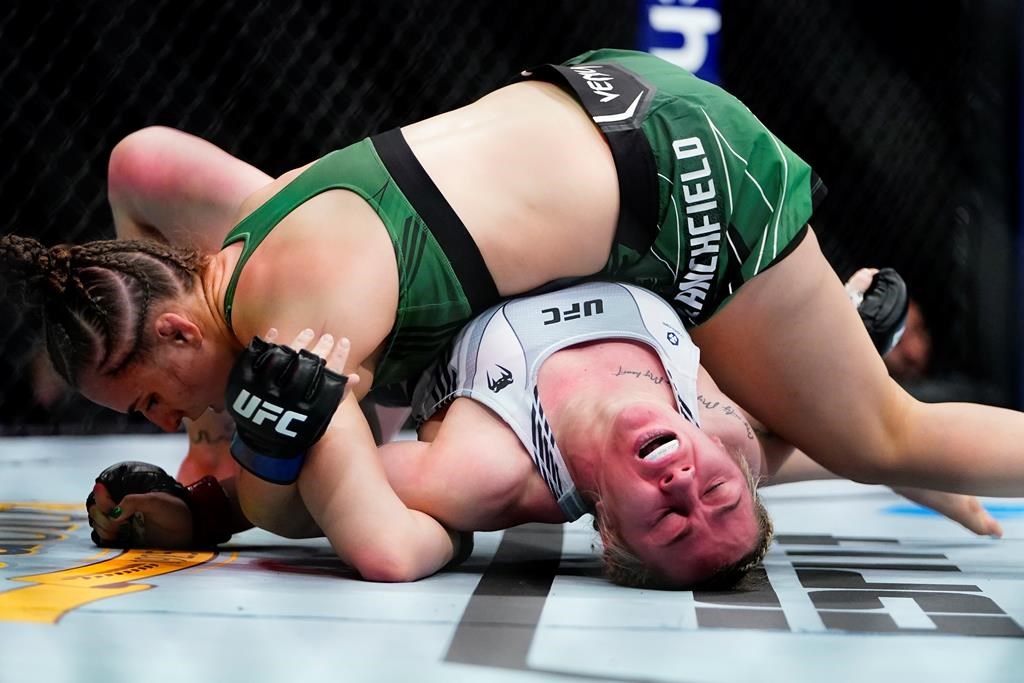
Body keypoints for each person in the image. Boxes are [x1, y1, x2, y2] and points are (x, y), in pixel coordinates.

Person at [4, 47, 1024, 582]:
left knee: (894, 432)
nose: (158, 418)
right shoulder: (246, 216)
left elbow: (380, 541)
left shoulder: (301, 324)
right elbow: (134, 173)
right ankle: (826, 384)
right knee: (745, 422)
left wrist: (255, 468)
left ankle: (840, 409)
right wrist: (222, 424)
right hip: (603, 102)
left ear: (181, 329)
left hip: (674, 201)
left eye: (147, 398)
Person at [84, 281, 1001, 589]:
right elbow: (795, 440)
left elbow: (350, 503)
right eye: (714, 496)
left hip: (421, 292)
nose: (687, 489)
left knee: (155, 168)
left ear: (604, 530)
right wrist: (851, 346)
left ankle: (208, 499)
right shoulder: (728, 427)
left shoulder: (488, 468)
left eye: (669, 521)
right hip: (604, 211)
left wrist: (285, 431)